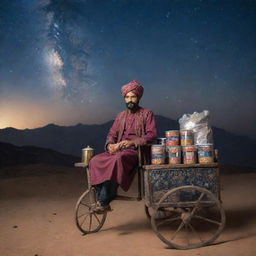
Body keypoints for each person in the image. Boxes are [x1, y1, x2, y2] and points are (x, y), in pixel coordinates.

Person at [89, 80, 157, 213]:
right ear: (124, 98)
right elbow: (112, 134)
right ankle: (102, 197)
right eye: (127, 97)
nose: (130, 100)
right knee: (95, 161)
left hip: (136, 152)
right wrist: (110, 145)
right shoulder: (120, 116)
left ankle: (104, 200)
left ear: (138, 97)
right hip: (118, 150)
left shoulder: (147, 114)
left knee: (117, 160)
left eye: (133, 96)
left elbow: (152, 135)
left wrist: (132, 142)